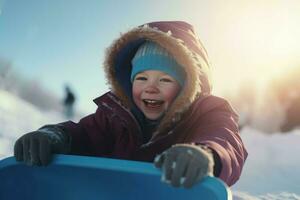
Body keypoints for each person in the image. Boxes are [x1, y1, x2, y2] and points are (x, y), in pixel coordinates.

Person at [13, 21, 247, 188]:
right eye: (142, 78)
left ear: (187, 86)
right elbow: (84, 134)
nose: (150, 88)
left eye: (164, 79)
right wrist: (56, 135)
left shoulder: (206, 112)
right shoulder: (114, 115)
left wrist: (207, 154)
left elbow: (225, 139)